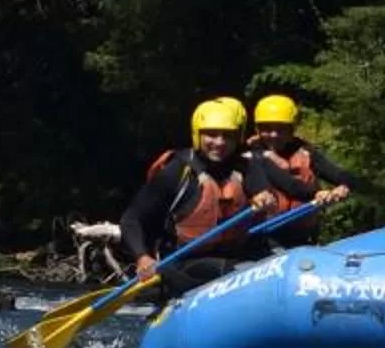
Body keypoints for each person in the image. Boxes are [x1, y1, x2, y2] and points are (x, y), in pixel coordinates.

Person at [120, 97, 301, 294]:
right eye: (211, 135)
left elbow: (260, 187)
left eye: (228, 136)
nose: (219, 142)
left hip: (238, 257)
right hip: (185, 264)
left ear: (238, 138)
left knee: (278, 263)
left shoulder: (245, 167)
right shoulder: (177, 171)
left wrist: (264, 196)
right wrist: (142, 257)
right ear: (198, 135)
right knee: (239, 270)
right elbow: (132, 219)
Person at [246, 93, 354, 239]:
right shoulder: (249, 156)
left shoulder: (305, 152)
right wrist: (316, 193)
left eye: (281, 129)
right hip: (264, 238)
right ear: (257, 130)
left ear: (292, 129)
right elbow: (289, 185)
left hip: (302, 235)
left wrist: (344, 186)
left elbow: (339, 174)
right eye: (267, 128)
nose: (274, 135)